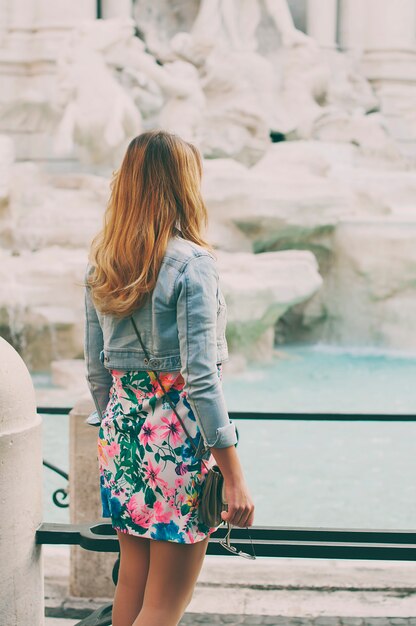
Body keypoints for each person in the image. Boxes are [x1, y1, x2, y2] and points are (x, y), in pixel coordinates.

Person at [83, 130, 255, 626]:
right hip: (176, 445)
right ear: (183, 186)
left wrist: (124, 427)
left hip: (122, 437)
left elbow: (98, 372)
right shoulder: (193, 264)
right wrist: (235, 478)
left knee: (132, 591)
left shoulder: (103, 263)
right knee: (163, 607)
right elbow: (201, 380)